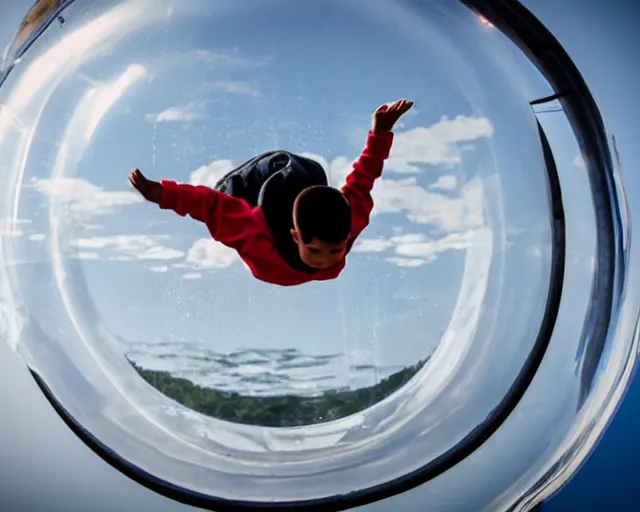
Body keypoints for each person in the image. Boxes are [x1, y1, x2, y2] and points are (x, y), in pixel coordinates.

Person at [128, 98, 414, 286]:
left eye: (335, 250)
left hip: (295, 186)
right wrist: (162, 193)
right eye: (314, 249)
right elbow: (209, 204)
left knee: (311, 173)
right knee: (253, 186)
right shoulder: (256, 234)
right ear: (295, 236)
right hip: (251, 191)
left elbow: (362, 181)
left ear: (346, 239)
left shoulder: (345, 224)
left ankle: (290, 171)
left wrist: (380, 133)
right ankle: (277, 170)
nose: (324, 259)